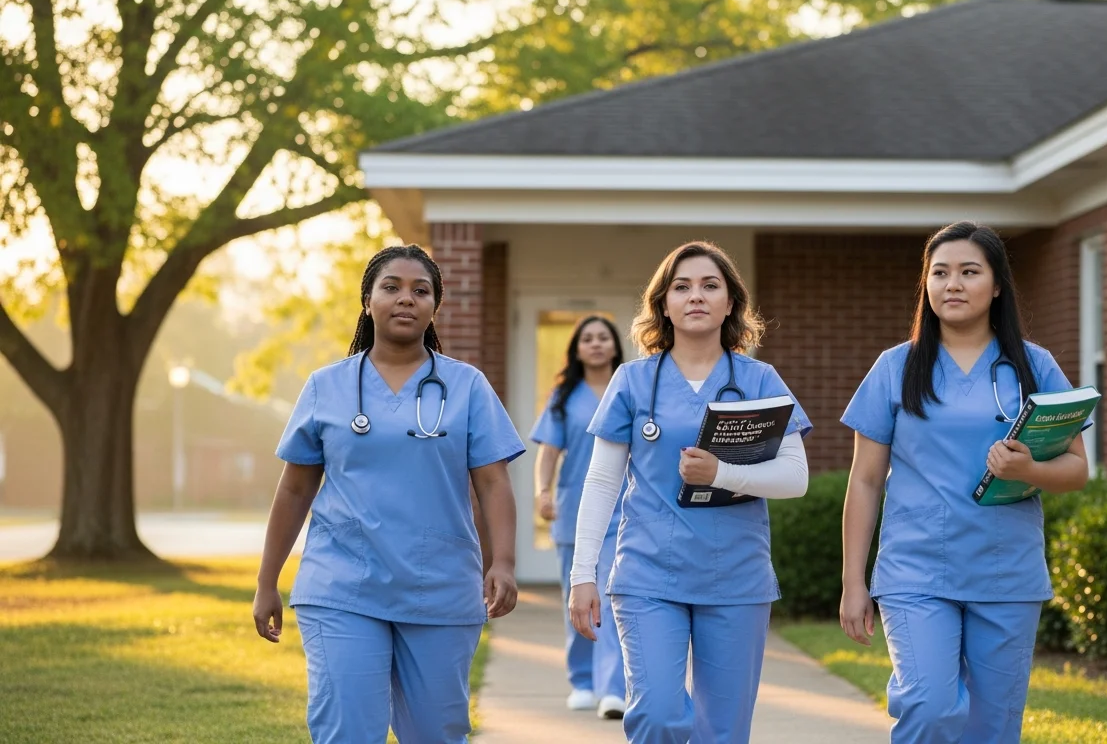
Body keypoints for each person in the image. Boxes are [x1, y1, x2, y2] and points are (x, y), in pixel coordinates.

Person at [252, 244, 523, 744]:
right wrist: (267, 580)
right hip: (342, 585)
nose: (406, 299)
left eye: (421, 291)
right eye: (391, 287)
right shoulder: (327, 386)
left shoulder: (467, 386)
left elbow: (493, 482)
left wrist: (502, 562)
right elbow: (294, 488)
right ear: (368, 300)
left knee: (436, 734)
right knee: (347, 730)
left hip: (439, 586)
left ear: (434, 307)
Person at [837, 222, 1090, 744]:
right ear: (926, 284)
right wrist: (852, 581)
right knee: (928, 707)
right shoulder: (896, 367)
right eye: (940, 273)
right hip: (916, 569)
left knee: (992, 728)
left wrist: (1030, 470)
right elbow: (865, 481)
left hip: (1005, 571)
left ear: (997, 286)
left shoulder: (1034, 366)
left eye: (969, 272)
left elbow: (1077, 470)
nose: (952, 284)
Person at [567, 241, 812, 743]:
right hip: (648, 574)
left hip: (737, 578)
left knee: (723, 732)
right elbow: (602, 482)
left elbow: (795, 476)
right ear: (663, 304)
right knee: (657, 716)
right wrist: (581, 574)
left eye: (709, 285)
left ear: (730, 302)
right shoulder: (633, 380)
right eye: (681, 287)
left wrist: (723, 473)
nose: (695, 295)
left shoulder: (759, 379)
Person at [528, 314, 629, 719]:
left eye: (603, 337)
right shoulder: (564, 397)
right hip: (574, 511)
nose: (596, 344)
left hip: (623, 510)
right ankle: (583, 682)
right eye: (588, 338)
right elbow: (548, 453)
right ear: (577, 349)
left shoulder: (630, 389)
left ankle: (613, 688)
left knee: (612, 598)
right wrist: (543, 491)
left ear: (615, 345)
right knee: (579, 598)